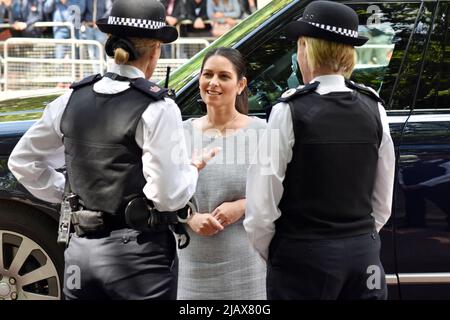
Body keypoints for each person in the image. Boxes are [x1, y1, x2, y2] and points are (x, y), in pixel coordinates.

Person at [8, 0, 216, 300]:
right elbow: (167, 196)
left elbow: (24, 161)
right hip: (138, 258)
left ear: (109, 43)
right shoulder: (158, 108)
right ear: (155, 50)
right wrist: (190, 170)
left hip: (81, 252)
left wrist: (68, 198)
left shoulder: (70, 99)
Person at [244, 1, 396, 300]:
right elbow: (382, 201)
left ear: (306, 49)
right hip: (363, 253)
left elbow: (261, 208)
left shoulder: (290, 110)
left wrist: (280, 254)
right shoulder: (374, 107)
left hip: (303, 255)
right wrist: (358, 240)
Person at [177, 47, 267, 300]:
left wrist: (243, 205)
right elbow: (163, 194)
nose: (213, 83)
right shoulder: (181, 133)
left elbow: (285, 192)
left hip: (248, 265)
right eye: (208, 74)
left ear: (241, 85)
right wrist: (190, 217)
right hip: (191, 266)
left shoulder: (263, 132)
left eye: (224, 76)